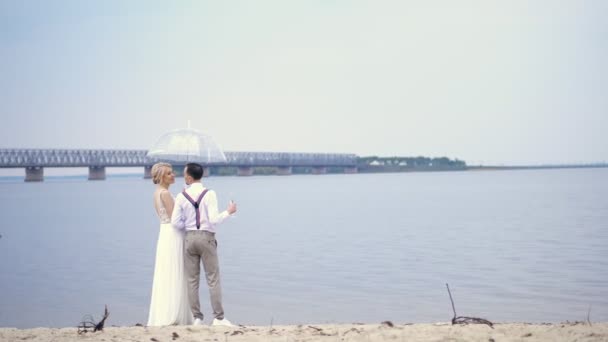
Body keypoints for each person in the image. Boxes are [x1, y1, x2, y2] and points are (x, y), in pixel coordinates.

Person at [171, 162, 237, 326]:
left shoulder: (181, 196)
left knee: (192, 280)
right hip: (207, 238)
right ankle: (218, 318)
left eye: (184, 173)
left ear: (188, 177)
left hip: (189, 238)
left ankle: (197, 318)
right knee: (213, 278)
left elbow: (175, 223)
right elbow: (214, 220)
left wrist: (189, 227)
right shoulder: (209, 193)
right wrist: (228, 211)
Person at [147, 162, 193, 326]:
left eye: (172, 173)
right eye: (169, 173)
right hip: (173, 234)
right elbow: (176, 219)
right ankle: (174, 314)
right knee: (176, 270)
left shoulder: (157, 193)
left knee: (166, 271)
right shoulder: (165, 194)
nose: (173, 175)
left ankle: (165, 312)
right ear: (161, 177)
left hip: (164, 233)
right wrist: (185, 203)